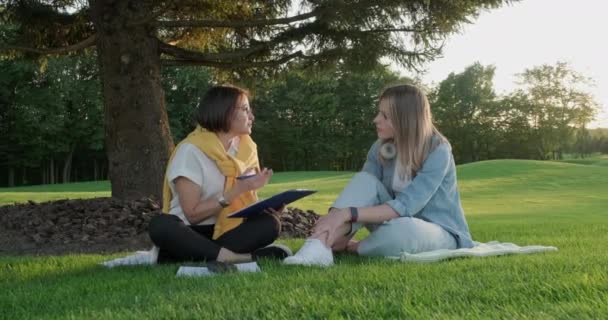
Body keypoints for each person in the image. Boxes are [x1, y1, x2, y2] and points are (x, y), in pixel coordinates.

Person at [284, 84, 474, 267]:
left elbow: (405, 206)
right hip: (390, 222)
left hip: (436, 231)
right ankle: (318, 245)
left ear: (406, 119)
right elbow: (362, 195)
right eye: (379, 113)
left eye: (385, 116)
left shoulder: (438, 150)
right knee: (364, 180)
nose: (376, 119)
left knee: (404, 230)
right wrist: (337, 220)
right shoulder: (381, 147)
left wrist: (347, 213)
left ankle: (354, 248)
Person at [149, 85, 291, 264]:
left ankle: (194, 255)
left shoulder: (246, 149)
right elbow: (192, 214)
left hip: (227, 231)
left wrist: (265, 208)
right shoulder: (191, 150)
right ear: (225, 112)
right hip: (189, 231)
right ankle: (238, 258)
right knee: (161, 225)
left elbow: (245, 203)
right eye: (246, 109)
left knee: (270, 223)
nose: (252, 116)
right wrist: (234, 192)